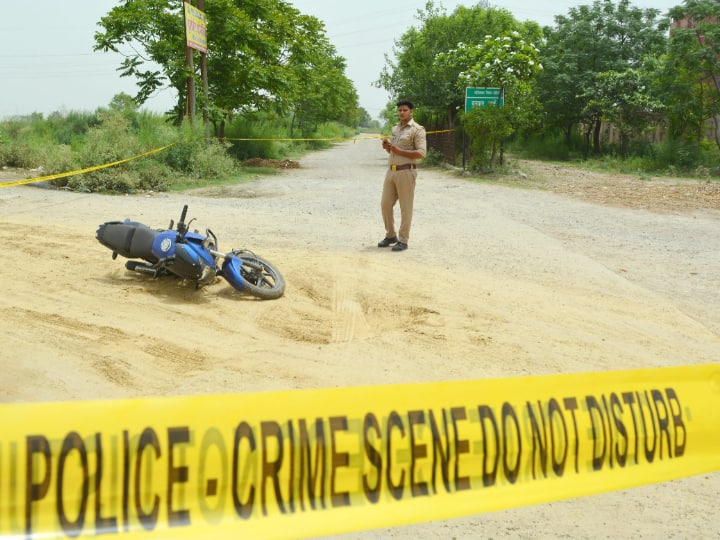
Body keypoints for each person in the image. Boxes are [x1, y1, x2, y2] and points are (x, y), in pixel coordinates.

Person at [378, 99, 427, 252]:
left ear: (411, 112)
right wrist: (388, 147)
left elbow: (421, 153)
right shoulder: (395, 129)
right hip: (391, 171)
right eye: (399, 110)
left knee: (405, 207)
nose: (401, 112)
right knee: (385, 204)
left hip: (406, 171)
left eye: (405, 110)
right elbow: (393, 150)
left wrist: (399, 151)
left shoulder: (417, 130)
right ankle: (391, 235)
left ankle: (403, 240)